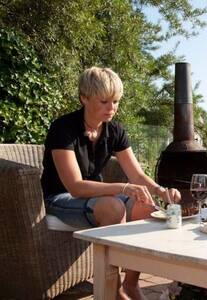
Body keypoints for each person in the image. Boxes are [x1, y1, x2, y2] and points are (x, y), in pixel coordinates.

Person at [41, 66, 181, 300]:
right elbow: (75, 186)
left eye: (115, 101)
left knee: (148, 209)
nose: (112, 108)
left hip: (96, 199)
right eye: (104, 101)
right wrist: (123, 188)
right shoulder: (63, 129)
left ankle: (130, 284)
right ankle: (112, 292)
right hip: (60, 200)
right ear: (84, 98)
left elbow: (136, 175)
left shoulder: (115, 130)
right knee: (114, 207)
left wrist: (160, 191)